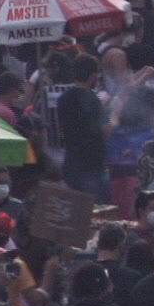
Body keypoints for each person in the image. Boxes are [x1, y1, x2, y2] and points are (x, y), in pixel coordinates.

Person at [59, 53, 110, 200]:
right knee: (96, 214)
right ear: (93, 76)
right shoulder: (92, 99)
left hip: (70, 164)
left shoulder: (64, 98)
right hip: (91, 166)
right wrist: (115, 115)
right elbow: (105, 131)